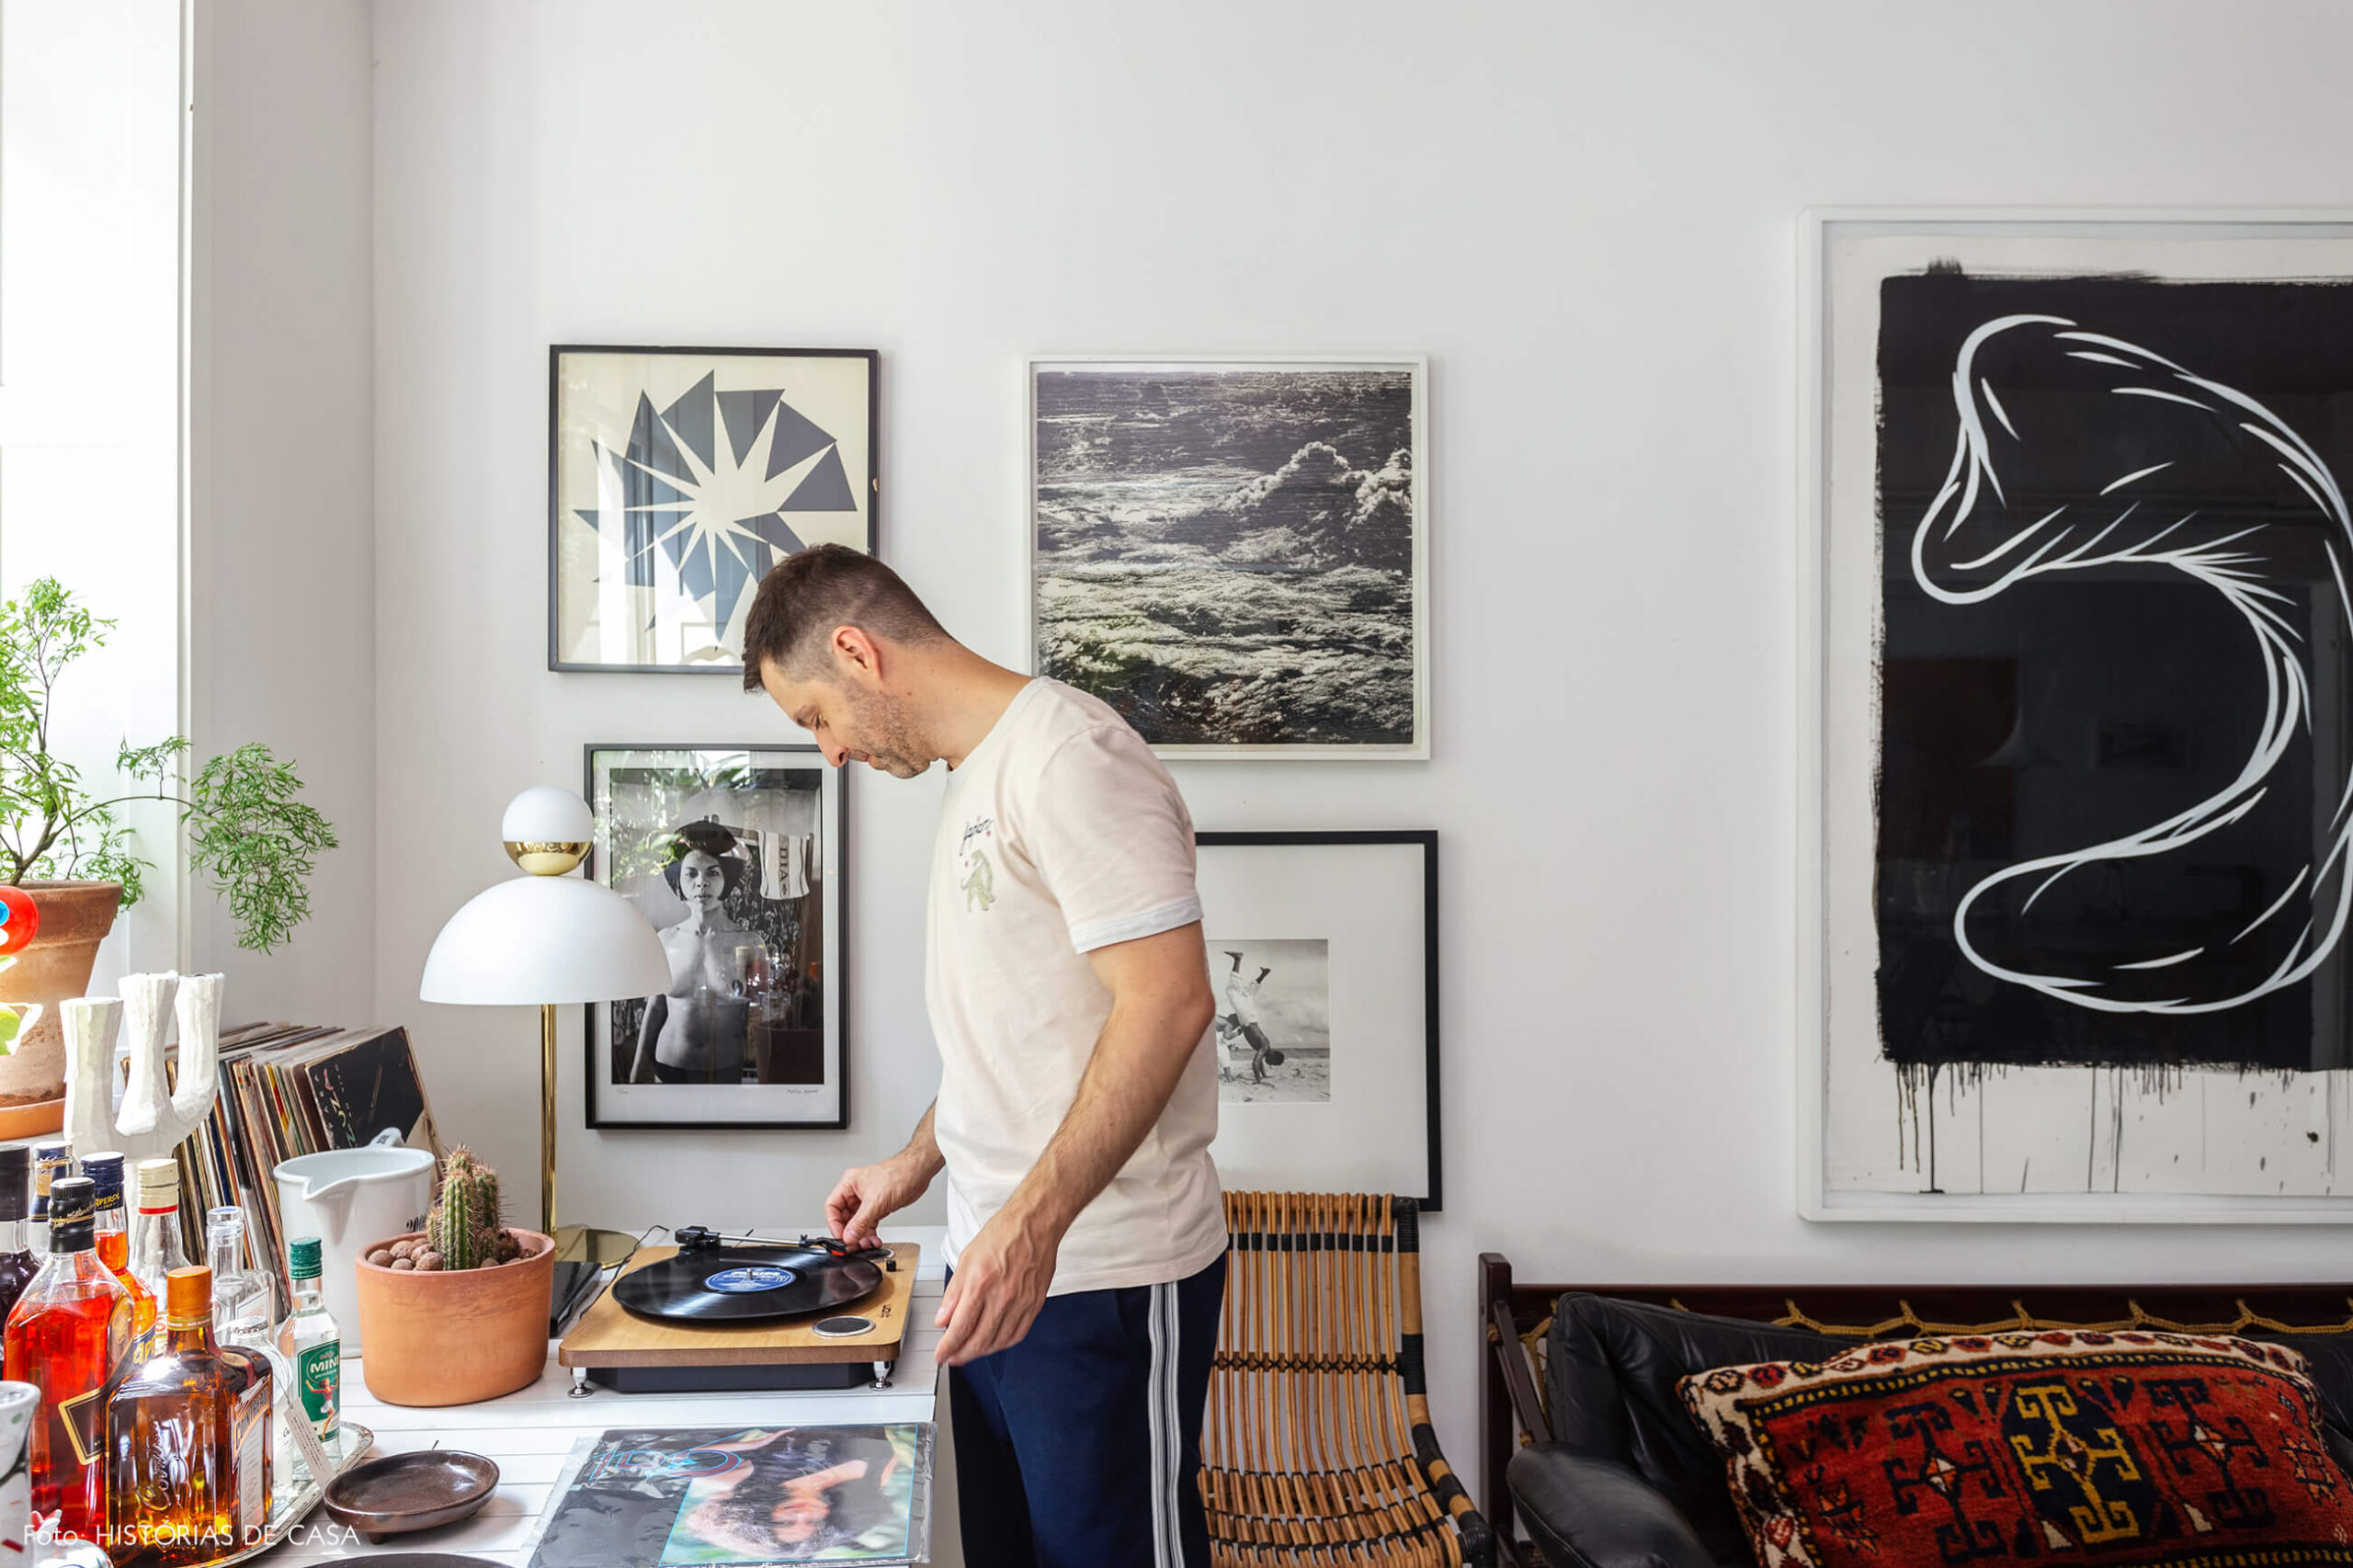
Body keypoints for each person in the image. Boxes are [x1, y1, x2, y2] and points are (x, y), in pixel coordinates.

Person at [741, 543, 1224, 1568]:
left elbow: (1170, 1001)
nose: (827, 752)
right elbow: (1017, 1040)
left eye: (815, 717)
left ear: (855, 650)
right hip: (995, 1274)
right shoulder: (976, 779)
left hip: (1100, 1276)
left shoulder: (1072, 757)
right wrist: (916, 1161)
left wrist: (1030, 1225)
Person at [631, 820, 754, 1085]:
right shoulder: (666, 939)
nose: (702, 884)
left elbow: (762, 1014)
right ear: (679, 880)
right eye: (691, 874)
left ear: (726, 880)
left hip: (727, 1068)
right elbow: (655, 1006)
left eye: (712, 873)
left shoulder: (749, 942)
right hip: (668, 1064)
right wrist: (639, 1064)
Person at [1221, 951, 1274, 1085]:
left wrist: (1264, 1075)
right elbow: (1255, 1063)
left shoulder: (1266, 1047)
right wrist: (1258, 1081)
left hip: (1252, 1017)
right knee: (1231, 992)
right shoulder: (1263, 1047)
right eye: (1271, 1063)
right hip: (1247, 1019)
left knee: (1247, 994)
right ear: (1270, 1058)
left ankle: (1264, 973)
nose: (1268, 1063)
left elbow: (1259, 1062)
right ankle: (1238, 960)